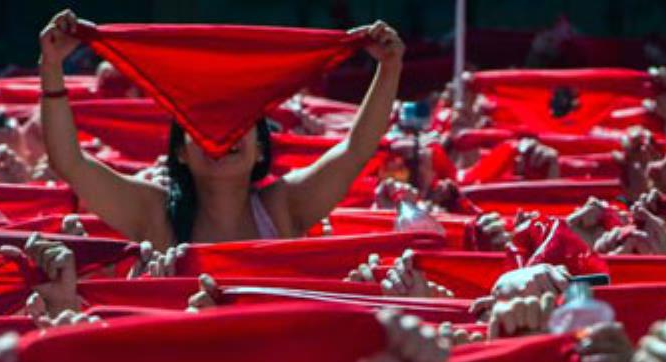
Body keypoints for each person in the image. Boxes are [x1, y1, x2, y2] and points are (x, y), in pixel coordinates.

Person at [37, 9, 404, 250]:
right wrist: (52, 66)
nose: (220, 136)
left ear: (261, 149)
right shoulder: (155, 213)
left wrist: (389, 67)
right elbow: (70, 163)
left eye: (238, 125)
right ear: (179, 151)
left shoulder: (283, 208)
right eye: (201, 127)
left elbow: (355, 150)